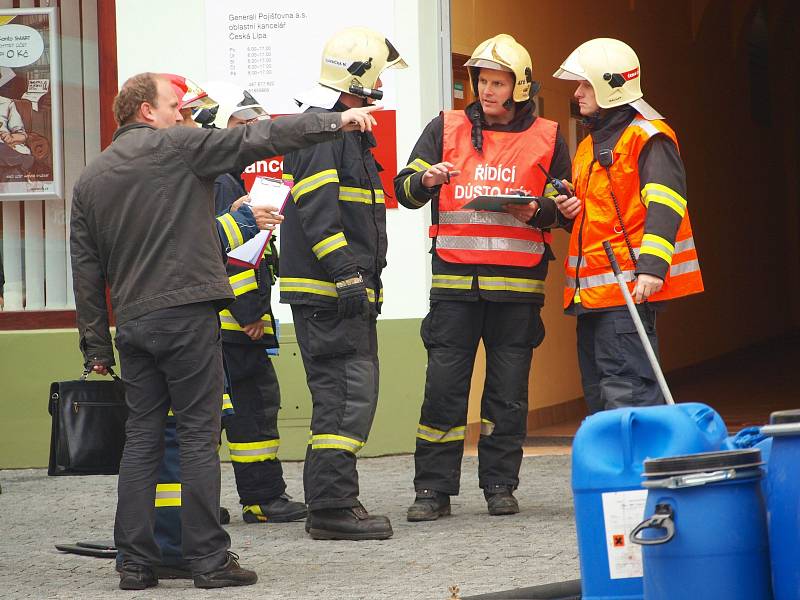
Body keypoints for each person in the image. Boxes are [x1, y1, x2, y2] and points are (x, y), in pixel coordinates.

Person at [69, 72, 378, 590]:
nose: (183, 115)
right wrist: (334, 120)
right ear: (146, 110)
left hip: (134, 326)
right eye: (174, 106)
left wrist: (97, 346)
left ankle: (135, 564)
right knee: (196, 437)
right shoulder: (177, 146)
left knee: (142, 440)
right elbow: (256, 137)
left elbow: (86, 269)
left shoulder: (92, 177)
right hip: (187, 318)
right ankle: (209, 562)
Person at [393, 34, 572, 521]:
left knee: (507, 395)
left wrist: (541, 210)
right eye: (482, 81)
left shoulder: (550, 136)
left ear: (521, 86)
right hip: (454, 287)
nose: (487, 90)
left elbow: (568, 207)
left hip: (517, 294)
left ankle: (500, 485)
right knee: (444, 392)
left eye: (498, 82)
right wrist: (427, 180)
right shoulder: (445, 127)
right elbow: (404, 187)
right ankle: (432, 491)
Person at [280, 26, 406, 540]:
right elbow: (317, 212)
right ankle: (332, 507)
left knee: (350, 393)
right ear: (363, 78)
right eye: (380, 76)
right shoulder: (325, 134)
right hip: (331, 294)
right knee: (344, 395)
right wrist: (346, 274)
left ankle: (331, 500)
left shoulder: (343, 134)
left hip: (342, 293)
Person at [552, 38, 703, 413]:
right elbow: (598, 218)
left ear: (609, 86)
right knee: (603, 396)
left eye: (586, 84)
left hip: (627, 290)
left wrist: (652, 268)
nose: (577, 92)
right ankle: (615, 471)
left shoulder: (647, 136)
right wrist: (568, 211)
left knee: (628, 394)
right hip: (593, 298)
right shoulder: (589, 145)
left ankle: (636, 470)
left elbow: (666, 203)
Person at [203, 81, 307, 524]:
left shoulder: (219, 180)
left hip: (221, 326)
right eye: (245, 124)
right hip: (233, 327)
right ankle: (263, 499)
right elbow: (231, 258)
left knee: (225, 417)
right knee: (253, 413)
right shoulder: (224, 182)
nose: (253, 134)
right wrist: (250, 315)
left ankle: (210, 506)